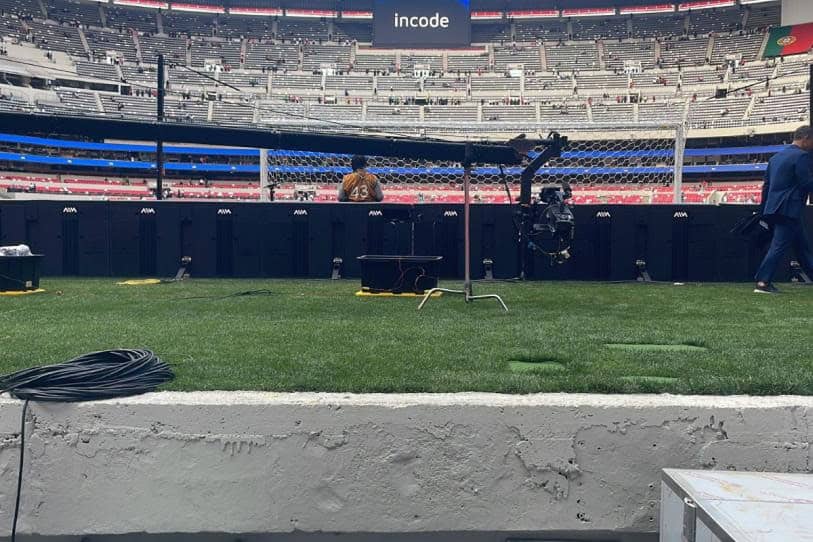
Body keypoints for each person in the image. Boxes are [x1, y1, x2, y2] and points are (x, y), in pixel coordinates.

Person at [753, 125, 813, 294]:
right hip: (790, 209)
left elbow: (766, 186)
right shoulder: (802, 157)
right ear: (806, 139)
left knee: (802, 247)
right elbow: (806, 183)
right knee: (779, 246)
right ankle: (763, 282)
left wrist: (763, 210)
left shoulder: (776, 158)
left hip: (775, 208)